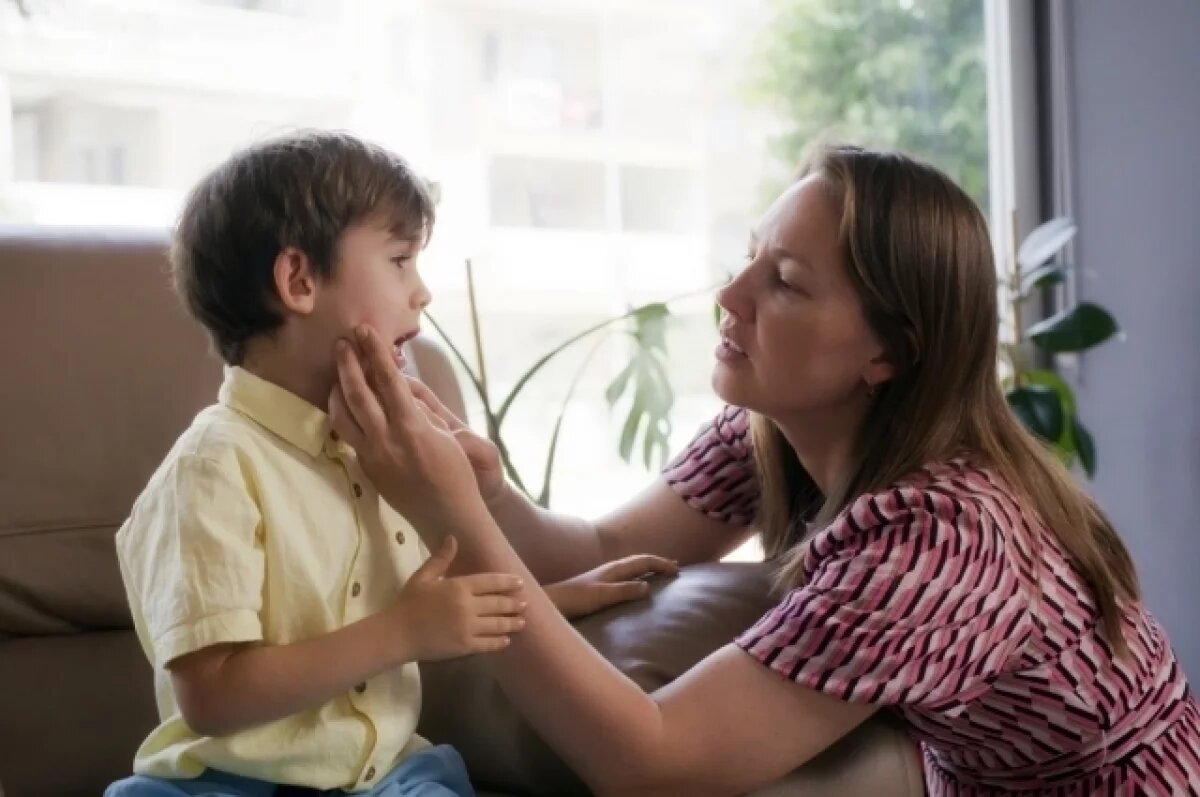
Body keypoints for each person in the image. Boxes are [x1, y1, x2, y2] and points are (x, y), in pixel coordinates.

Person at [329, 144, 1200, 795]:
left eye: (783, 281)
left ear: (888, 352)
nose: (730, 293)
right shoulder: (780, 426)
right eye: (750, 255)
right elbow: (598, 543)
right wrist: (481, 484)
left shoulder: (944, 539)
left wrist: (447, 510)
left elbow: (652, 760)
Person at [106, 130, 676, 797]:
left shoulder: (380, 455)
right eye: (400, 260)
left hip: (391, 779)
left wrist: (555, 597)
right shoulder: (212, 469)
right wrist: (402, 630)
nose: (422, 292)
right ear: (298, 280)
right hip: (229, 785)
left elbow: (427, 611)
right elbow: (211, 695)